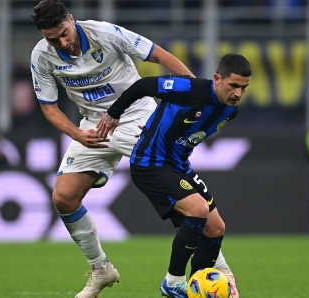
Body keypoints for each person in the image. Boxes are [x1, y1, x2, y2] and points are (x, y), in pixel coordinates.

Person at [30, 1, 198, 297]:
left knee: (181, 198)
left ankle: (215, 268)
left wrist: (195, 90)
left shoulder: (105, 34)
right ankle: (101, 269)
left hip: (138, 116)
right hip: (94, 127)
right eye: (52, 39)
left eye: (64, 34)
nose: (62, 43)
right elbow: (49, 107)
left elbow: (158, 55)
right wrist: (77, 134)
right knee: (64, 197)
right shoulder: (41, 56)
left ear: (72, 19)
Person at [97, 53, 251, 298]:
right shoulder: (188, 89)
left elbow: (184, 133)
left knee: (216, 229)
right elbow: (144, 85)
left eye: (244, 88)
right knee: (198, 210)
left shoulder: (230, 112)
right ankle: (173, 281)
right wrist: (114, 113)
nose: (238, 94)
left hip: (179, 166)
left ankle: (196, 289)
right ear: (217, 79)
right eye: (233, 85)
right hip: (150, 164)